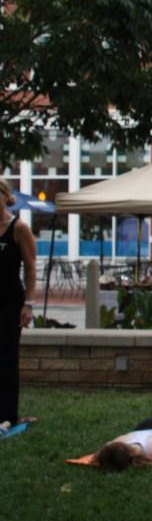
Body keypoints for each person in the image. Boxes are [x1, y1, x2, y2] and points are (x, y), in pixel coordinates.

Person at [0, 178, 36, 429]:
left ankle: (8, 415)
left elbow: (31, 267)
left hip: (11, 302)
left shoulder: (18, 227)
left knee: (6, 357)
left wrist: (29, 303)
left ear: (5, 197)